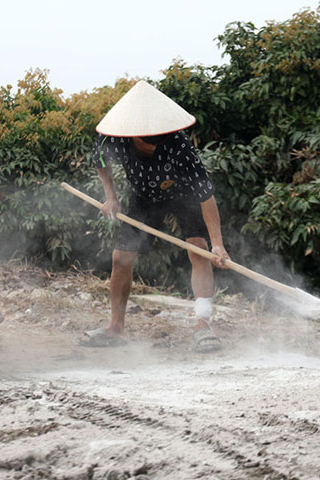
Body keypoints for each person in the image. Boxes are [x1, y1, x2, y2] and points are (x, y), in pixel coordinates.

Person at [78, 80, 230, 353]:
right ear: (133, 135)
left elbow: (206, 196)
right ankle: (116, 329)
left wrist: (218, 244)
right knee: (120, 258)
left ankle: (203, 325)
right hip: (144, 197)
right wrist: (111, 196)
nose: (152, 148)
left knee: (200, 249)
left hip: (184, 195)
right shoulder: (115, 136)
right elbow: (100, 161)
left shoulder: (179, 145)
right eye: (146, 145)